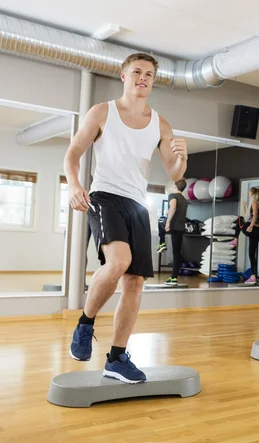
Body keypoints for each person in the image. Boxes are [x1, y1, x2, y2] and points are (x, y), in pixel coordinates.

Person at [64, 53, 188, 383]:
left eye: (149, 74)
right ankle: (85, 323)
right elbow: (73, 153)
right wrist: (75, 184)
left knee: (134, 283)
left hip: (137, 204)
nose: (143, 78)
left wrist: (182, 160)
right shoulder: (102, 112)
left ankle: (116, 358)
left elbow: (174, 172)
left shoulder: (160, 123)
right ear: (124, 75)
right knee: (119, 262)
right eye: (137, 72)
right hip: (104, 197)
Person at [157, 179, 188, 285]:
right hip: (180, 228)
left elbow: (173, 206)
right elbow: (176, 209)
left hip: (173, 225)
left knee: (161, 219)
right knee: (176, 253)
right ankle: (174, 277)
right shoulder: (184, 199)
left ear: (175, 186)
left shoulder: (172, 195)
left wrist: (168, 222)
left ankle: (162, 242)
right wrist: (168, 211)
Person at [238, 186, 259, 284]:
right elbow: (247, 217)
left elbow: (255, 215)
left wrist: (251, 226)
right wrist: (243, 207)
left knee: (238, 220)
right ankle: (253, 276)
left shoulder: (254, 203)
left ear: (253, 194)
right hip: (258, 230)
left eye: (249, 193)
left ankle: (235, 239)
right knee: (252, 254)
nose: (248, 195)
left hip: (253, 228)